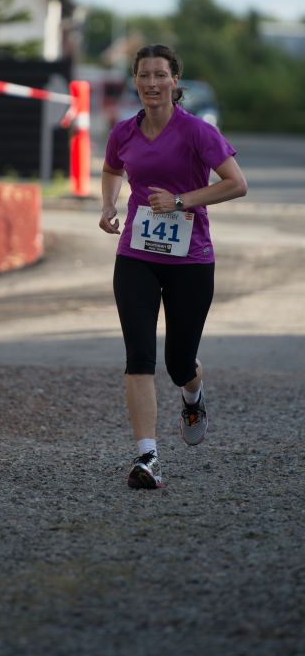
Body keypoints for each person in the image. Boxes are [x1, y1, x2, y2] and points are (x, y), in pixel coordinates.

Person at [99, 44, 247, 490]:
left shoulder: (198, 132)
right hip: (136, 256)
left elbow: (236, 183)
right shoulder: (123, 132)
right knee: (139, 357)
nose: (151, 83)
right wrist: (108, 205)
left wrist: (182, 201)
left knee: (179, 360)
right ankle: (148, 457)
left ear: (174, 81)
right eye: (143, 75)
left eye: (160, 75)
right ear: (136, 81)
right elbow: (111, 169)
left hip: (191, 259)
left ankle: (193, 394)